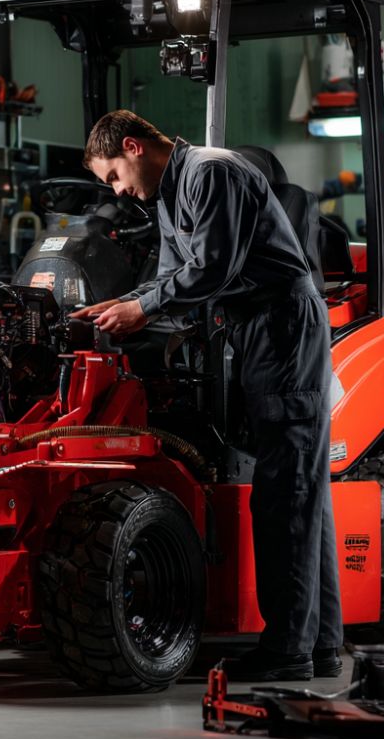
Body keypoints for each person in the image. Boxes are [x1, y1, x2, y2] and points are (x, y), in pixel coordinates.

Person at [70, 109, 342, 682]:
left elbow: (212, 267)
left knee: (284, 493)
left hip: (281, 326)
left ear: (133, 146)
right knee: (300, 493)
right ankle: (316, 646)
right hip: (257, 328)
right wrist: (120, 306)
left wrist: (142, 307)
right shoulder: (172, 194)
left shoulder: (211, 173)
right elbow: (175, 275)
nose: (118, 192)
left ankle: (289, 650)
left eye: (114, 175)